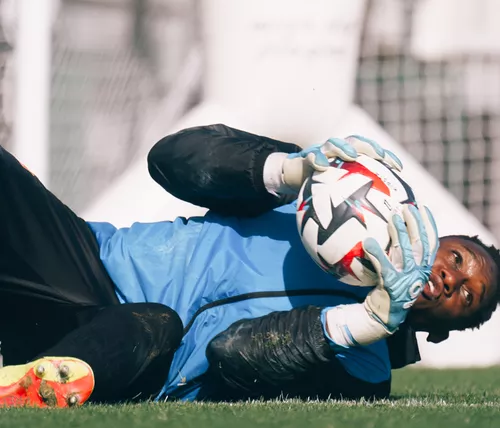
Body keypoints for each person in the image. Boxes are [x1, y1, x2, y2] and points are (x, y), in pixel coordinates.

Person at [0, 124, 498, 407]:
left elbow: (232, 353)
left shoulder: (363, 371)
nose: (451, 278)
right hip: (89, 259)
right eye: (456, 258)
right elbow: (168, 159)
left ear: (441, 333)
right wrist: (289, 169)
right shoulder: (310, 201)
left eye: (465, 296)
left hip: (134, 360)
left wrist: (367, 322)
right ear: (433, 232)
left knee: (152, 323)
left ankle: (37, 385)